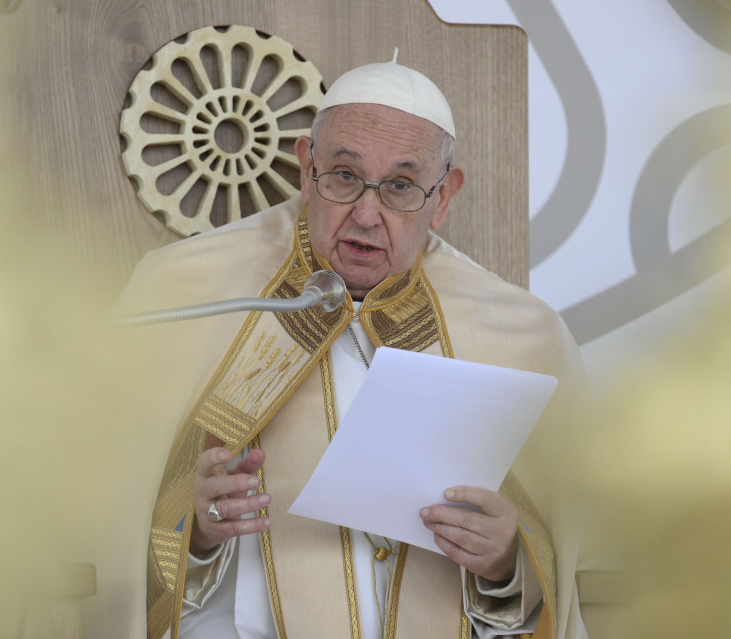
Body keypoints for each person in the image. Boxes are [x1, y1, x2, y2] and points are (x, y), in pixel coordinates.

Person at [111, 59, 587, 639]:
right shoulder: (188, 293)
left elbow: (559, 581)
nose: (366, 214)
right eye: (343, 175)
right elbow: (106, 540)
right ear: (306, 169)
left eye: (401, 187)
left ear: (443, 197)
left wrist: (505, 563)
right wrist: (197, 529)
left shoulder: (521, 334)